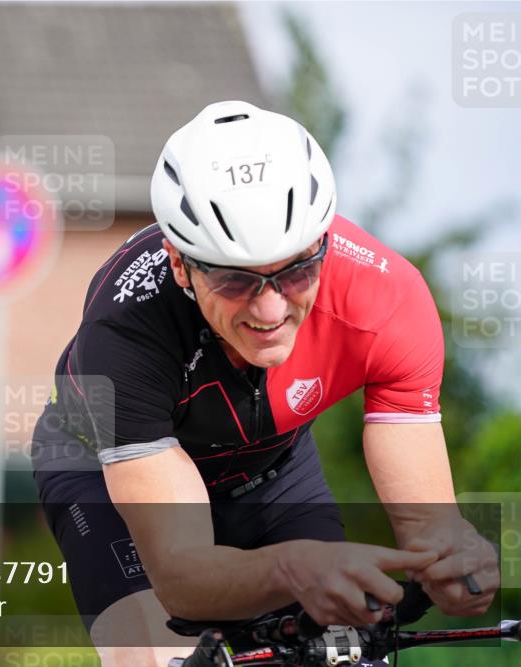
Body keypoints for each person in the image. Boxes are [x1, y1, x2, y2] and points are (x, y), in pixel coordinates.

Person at [30, 100, 500, 666]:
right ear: (181, 264)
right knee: (157, 658)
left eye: (297, 270)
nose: (271, 308)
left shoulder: (388, 299)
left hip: (269, 471)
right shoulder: (123, 333)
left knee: (345, 650)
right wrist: (294, 567)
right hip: (105, 474)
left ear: (322, 243)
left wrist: (454, 559)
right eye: (235, 280)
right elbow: (181, 579)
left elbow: (431, 530)